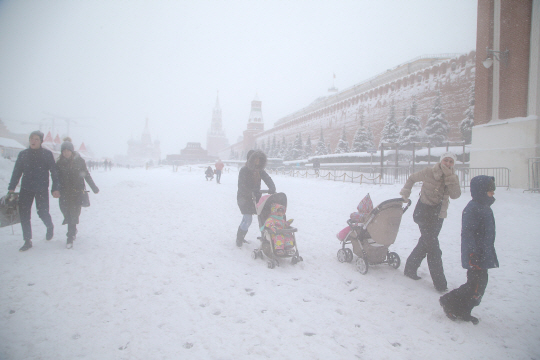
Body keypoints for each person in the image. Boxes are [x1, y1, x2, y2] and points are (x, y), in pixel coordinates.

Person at [439, 176, 497, 325]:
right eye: (490, 191)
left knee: (478, 286)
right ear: (481, 192)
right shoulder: (473, 209)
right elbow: (468, 234)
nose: (492, 194)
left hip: (482, 254)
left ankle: (463, 310)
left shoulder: (484, 207)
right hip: (476, 255)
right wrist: (472, 254)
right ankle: (449, 301)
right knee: (475, 285)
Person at [400, 152, 461, 292]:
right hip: (424, 213)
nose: (448, 163)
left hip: (438, 215)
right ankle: (440, 284)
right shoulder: (429, 172)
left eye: (451, 161)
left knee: (426, 243)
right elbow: (412, 178)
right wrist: (405, 193)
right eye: (446, 160)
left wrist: (450, 178)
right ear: (441, 161)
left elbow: (455, 195)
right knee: (433, 248)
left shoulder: (453, 177)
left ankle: (410, 268)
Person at [8, 130, 60, 251]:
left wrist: (56, 188)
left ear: (41, 141)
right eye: (32, 138)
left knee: (42, 212)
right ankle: (27, 240)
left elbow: (54, 172)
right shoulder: (23, 154)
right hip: (26, 189)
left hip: (41, 189)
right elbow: (17, 172)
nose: (33, 141)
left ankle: (49, 226)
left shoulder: (47, 154)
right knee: (24, 214)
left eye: (36, 139)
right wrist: (11, 187)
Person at [56, 138, 99, 248]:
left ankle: (69, 237)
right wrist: (54, 189)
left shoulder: (79, 161)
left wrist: (93, 187)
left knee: (73, 213)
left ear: (72, 151)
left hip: (76, 192)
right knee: (66, 212)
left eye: (67, 150)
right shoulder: (59, 162)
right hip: (64, 193)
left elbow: (86, 175)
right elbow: (55, 178)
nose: (65, 153)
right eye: (63, 151)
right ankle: (73, 229)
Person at [236, 149, 276, 247]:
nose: (257, 162)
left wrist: (272, 187)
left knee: (248, 218)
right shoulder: (244, 170)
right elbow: (241, 185)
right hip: (244, 198)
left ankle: (241, 236)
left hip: (255, 198)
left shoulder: (259, 171)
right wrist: (250, 192)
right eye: (256, 159)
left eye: (259, 160)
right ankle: (239, 239)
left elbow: (267, 178)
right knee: (248, 218)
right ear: (251, 159)